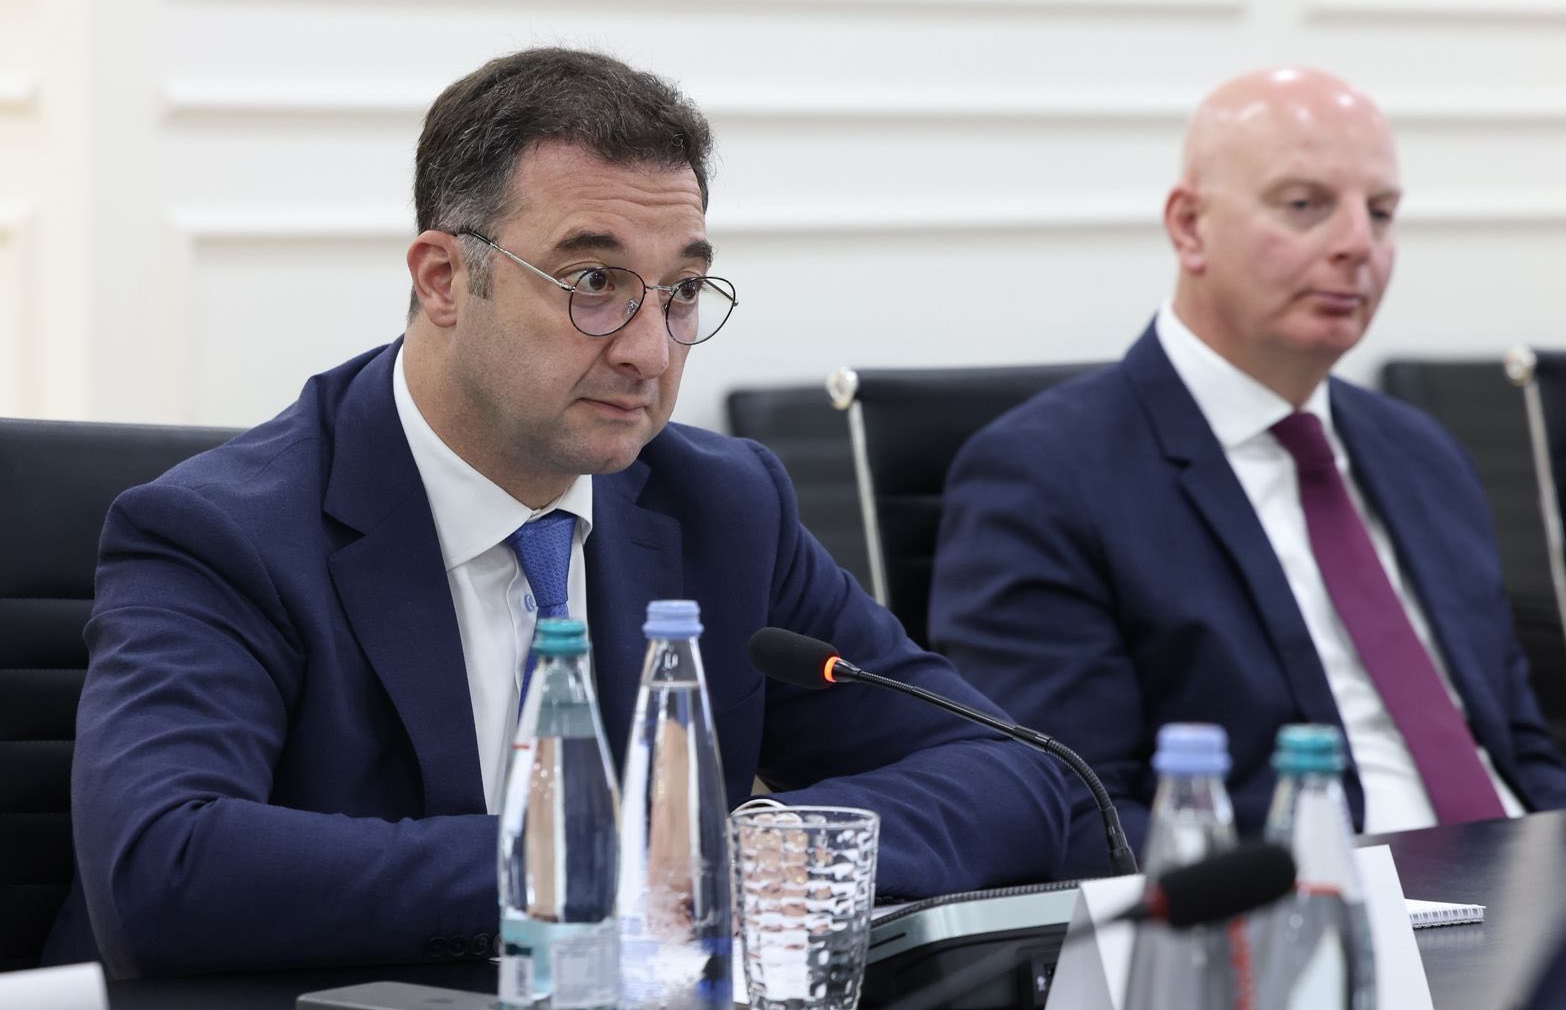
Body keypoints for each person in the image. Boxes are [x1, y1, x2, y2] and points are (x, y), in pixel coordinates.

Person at [44, 48, 1075, 976]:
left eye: (681, 291)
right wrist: (604, 866)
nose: (649, 350)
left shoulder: (723, 506)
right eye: (593, 281)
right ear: (445, 279)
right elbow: (162, 867)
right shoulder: (222, 534)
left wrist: (740, 854)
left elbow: (1015, 774)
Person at [928, 65, 1566, 878]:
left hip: (1530, 899)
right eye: (1305, 205)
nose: (1358, 244)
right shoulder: (1043, 476)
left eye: (1381, 212)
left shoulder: (1422, 451)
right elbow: (1074, 810)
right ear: (1189, 227)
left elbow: (1522, 747)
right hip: (1299, 916)